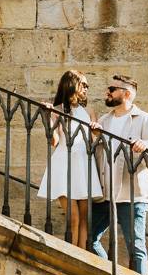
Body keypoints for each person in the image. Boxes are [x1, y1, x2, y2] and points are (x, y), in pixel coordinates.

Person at [89, 74, 148, 275]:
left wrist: (147, 144)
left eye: (112, 89)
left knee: (136, 248)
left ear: (126, 94)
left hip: (132, 194)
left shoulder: (144, 119)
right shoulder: (104, 120)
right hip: (105, 193)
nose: (107, 92)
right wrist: (96, 137)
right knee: (89, 238)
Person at [37, 69, 101, 250]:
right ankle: (73, 255)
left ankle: (82, 257)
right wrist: (48, 116)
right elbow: (54, 141)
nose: (87, 89)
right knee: (72, 216)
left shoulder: (89, 110)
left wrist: (96, 130)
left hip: (83, 162)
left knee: (85, 218)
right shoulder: (57, 109)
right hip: (63, 162)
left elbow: (93, 140)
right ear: (72, 84)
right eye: (84, 84)